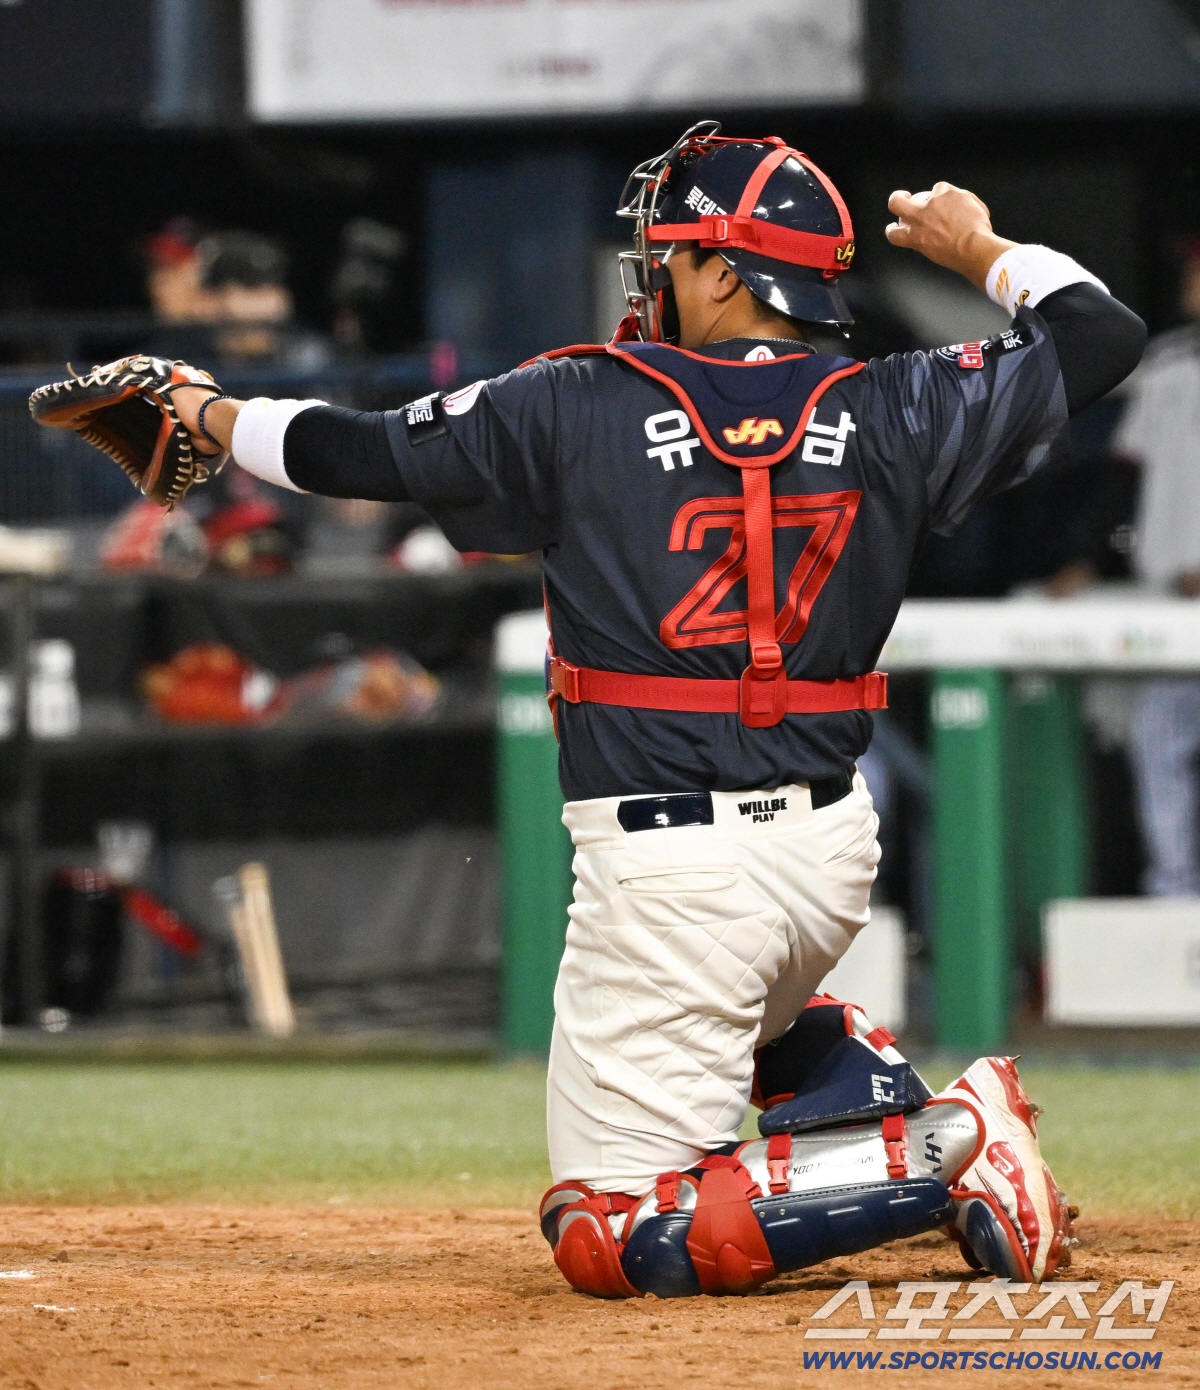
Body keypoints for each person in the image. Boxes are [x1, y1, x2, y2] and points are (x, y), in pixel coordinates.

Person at [162, 123, 1144, 1296]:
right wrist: (979, 247)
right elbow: (1099, 333)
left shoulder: (578, 399)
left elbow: (350, 451)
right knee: (767, 1006)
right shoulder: (897, 402)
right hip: (828, 857)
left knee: (616, 1232)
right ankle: (882, 1098)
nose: (654, 271)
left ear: (726, 271)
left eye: (671, 250)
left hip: (676, 877)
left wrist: (202, 411)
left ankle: (946, 1154)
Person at [1112, 242, 1200, 896]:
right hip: (1168, 606)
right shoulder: (1166, 366)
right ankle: (1174, 895)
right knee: (1158, 747)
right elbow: (1125, 482)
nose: (1190, 282)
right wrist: (1091, 559)